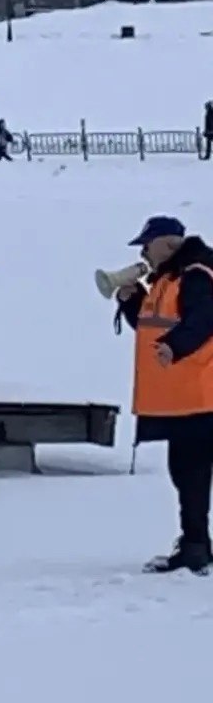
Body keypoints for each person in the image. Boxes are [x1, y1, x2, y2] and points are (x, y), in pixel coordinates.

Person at [115, 216, 213, 573]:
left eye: (147, 244)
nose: (143, 252)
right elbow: (151, 327)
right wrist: (131, 300)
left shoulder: (196, 275)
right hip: (183, 397)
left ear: (167, 243)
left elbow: (204, 320)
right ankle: (195, 544)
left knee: (192, 473)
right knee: (187, 473)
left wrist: (176, 346)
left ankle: (195, 548)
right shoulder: (167, 280)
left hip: (201, 396)